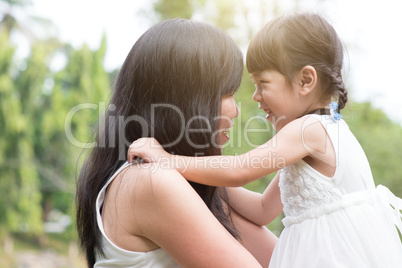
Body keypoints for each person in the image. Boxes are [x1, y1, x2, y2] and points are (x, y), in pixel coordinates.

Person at [128, 13, 402, 267]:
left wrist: (168, 160)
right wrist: (198, 179)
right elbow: (261, 210)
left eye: (262, 84)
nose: (255, 96)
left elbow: (239, 170)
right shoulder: (321, 132)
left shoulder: (310, 129)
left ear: (305, 80)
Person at [76, 19, 278, 268]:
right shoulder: (150, 180)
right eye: (228, 94)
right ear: (187, 99)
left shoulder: (189, 184)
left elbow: (285, 259)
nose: (236, 111)